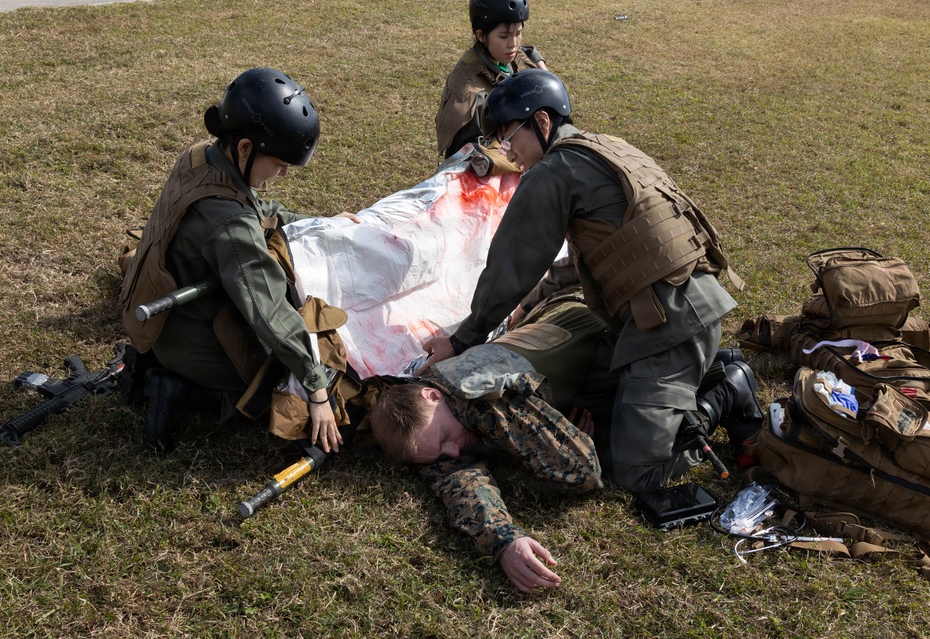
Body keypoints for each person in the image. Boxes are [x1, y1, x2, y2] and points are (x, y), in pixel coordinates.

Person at [421, 69, 765, 494]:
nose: (510, 152)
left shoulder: (553, 171)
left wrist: (462, 339)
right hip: (670, 314)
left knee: (634, 473)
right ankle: (712, 365)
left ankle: (727, 390)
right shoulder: (601, 148)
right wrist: (536, 300)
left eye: (511, 137)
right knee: (581, 399)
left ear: (542, 123)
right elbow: (603, 252)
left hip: (668, 330)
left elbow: (513, 260)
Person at [119, 67, 357, 455]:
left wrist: (319, 223)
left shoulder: (203, 155)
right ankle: (178, 388)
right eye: (279, 163)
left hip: (157, 309)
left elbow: (258, 207)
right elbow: (270, 312)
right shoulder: (228, 222)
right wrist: (315, 389)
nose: (281, 174)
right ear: (246, 148)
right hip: (183, 339)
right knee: (275, 379)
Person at [369, 342, 603, 593]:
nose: (454, 450)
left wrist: (559, 446)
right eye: (441, 453)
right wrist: (505, 541)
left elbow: (582, 472)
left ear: (432, 395)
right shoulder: (432, 427)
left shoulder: (478, 396)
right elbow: (462, 485)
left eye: (445, 437)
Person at [435, 0, 548, 159]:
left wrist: (540, 66)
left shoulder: (502, 55)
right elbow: (467, 157)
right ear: (481, 35)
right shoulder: (469, 93)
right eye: (504, 36)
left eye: (518, 33)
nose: (513, 44)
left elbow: (526, 52)